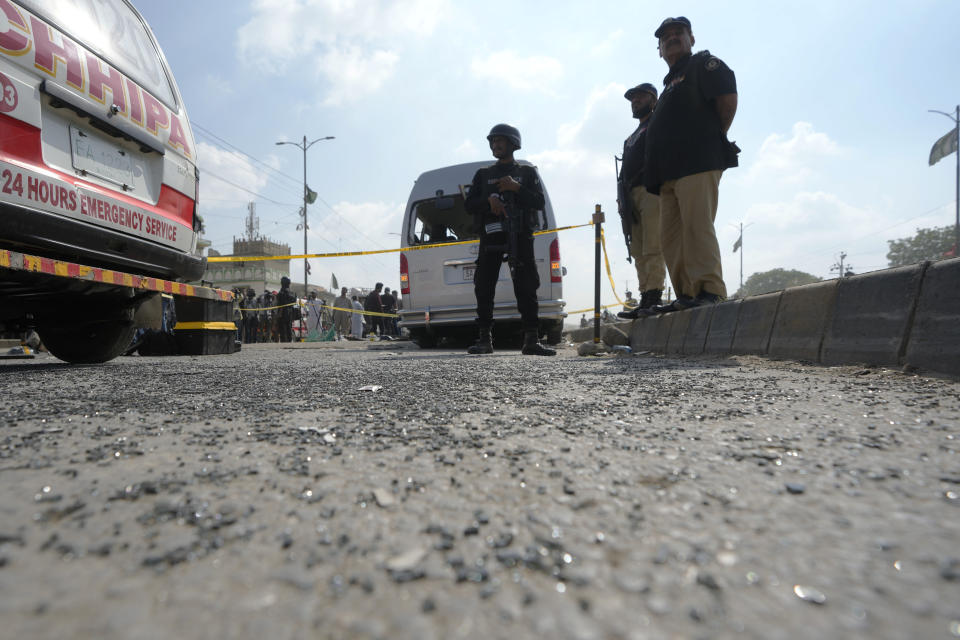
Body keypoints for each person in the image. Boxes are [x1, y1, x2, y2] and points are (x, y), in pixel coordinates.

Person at [644, 16, 739, 313]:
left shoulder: (703, 65)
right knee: (671, 238)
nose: (672, 38)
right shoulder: (669, 84)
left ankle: (709, 291)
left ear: (691, 39)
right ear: (659, 49)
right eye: (665, 37)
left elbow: (727, 102)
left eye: (678, 33)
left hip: (697, 162)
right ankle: (686, 295)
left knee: (697, 227)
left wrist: (711, 139)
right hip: (668, 174)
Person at [464, 123, 555, 356]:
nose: (496, 145)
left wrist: (516, 188)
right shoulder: (483, 175)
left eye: (500, 141)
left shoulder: (526, 173)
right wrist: (488, 202)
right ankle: (484, 339)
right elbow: (468, 205)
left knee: (526, 286)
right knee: (483, 286)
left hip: (520, 234)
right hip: (491, 235)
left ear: (513, 144)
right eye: (493, 141)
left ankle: (531, 340)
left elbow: (538, 202)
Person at [616, 82, 665, 319]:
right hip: (631, 196)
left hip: (651, 190)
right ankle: (645, 294)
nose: (636, 102)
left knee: (653, 245)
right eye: (633, 99)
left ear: (653, 100)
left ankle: (654, 295)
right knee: (638, 250)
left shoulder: (658, 124)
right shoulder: (631, 137)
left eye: (641, 98)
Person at [276, 277, 295, 342]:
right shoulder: (291, 292)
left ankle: (284, 341)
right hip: (289, 312)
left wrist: (279, 313)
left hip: (283, 312)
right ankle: (289, 340)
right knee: (288, 327)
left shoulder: (282, 292)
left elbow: (280, 303)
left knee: (283, 328)